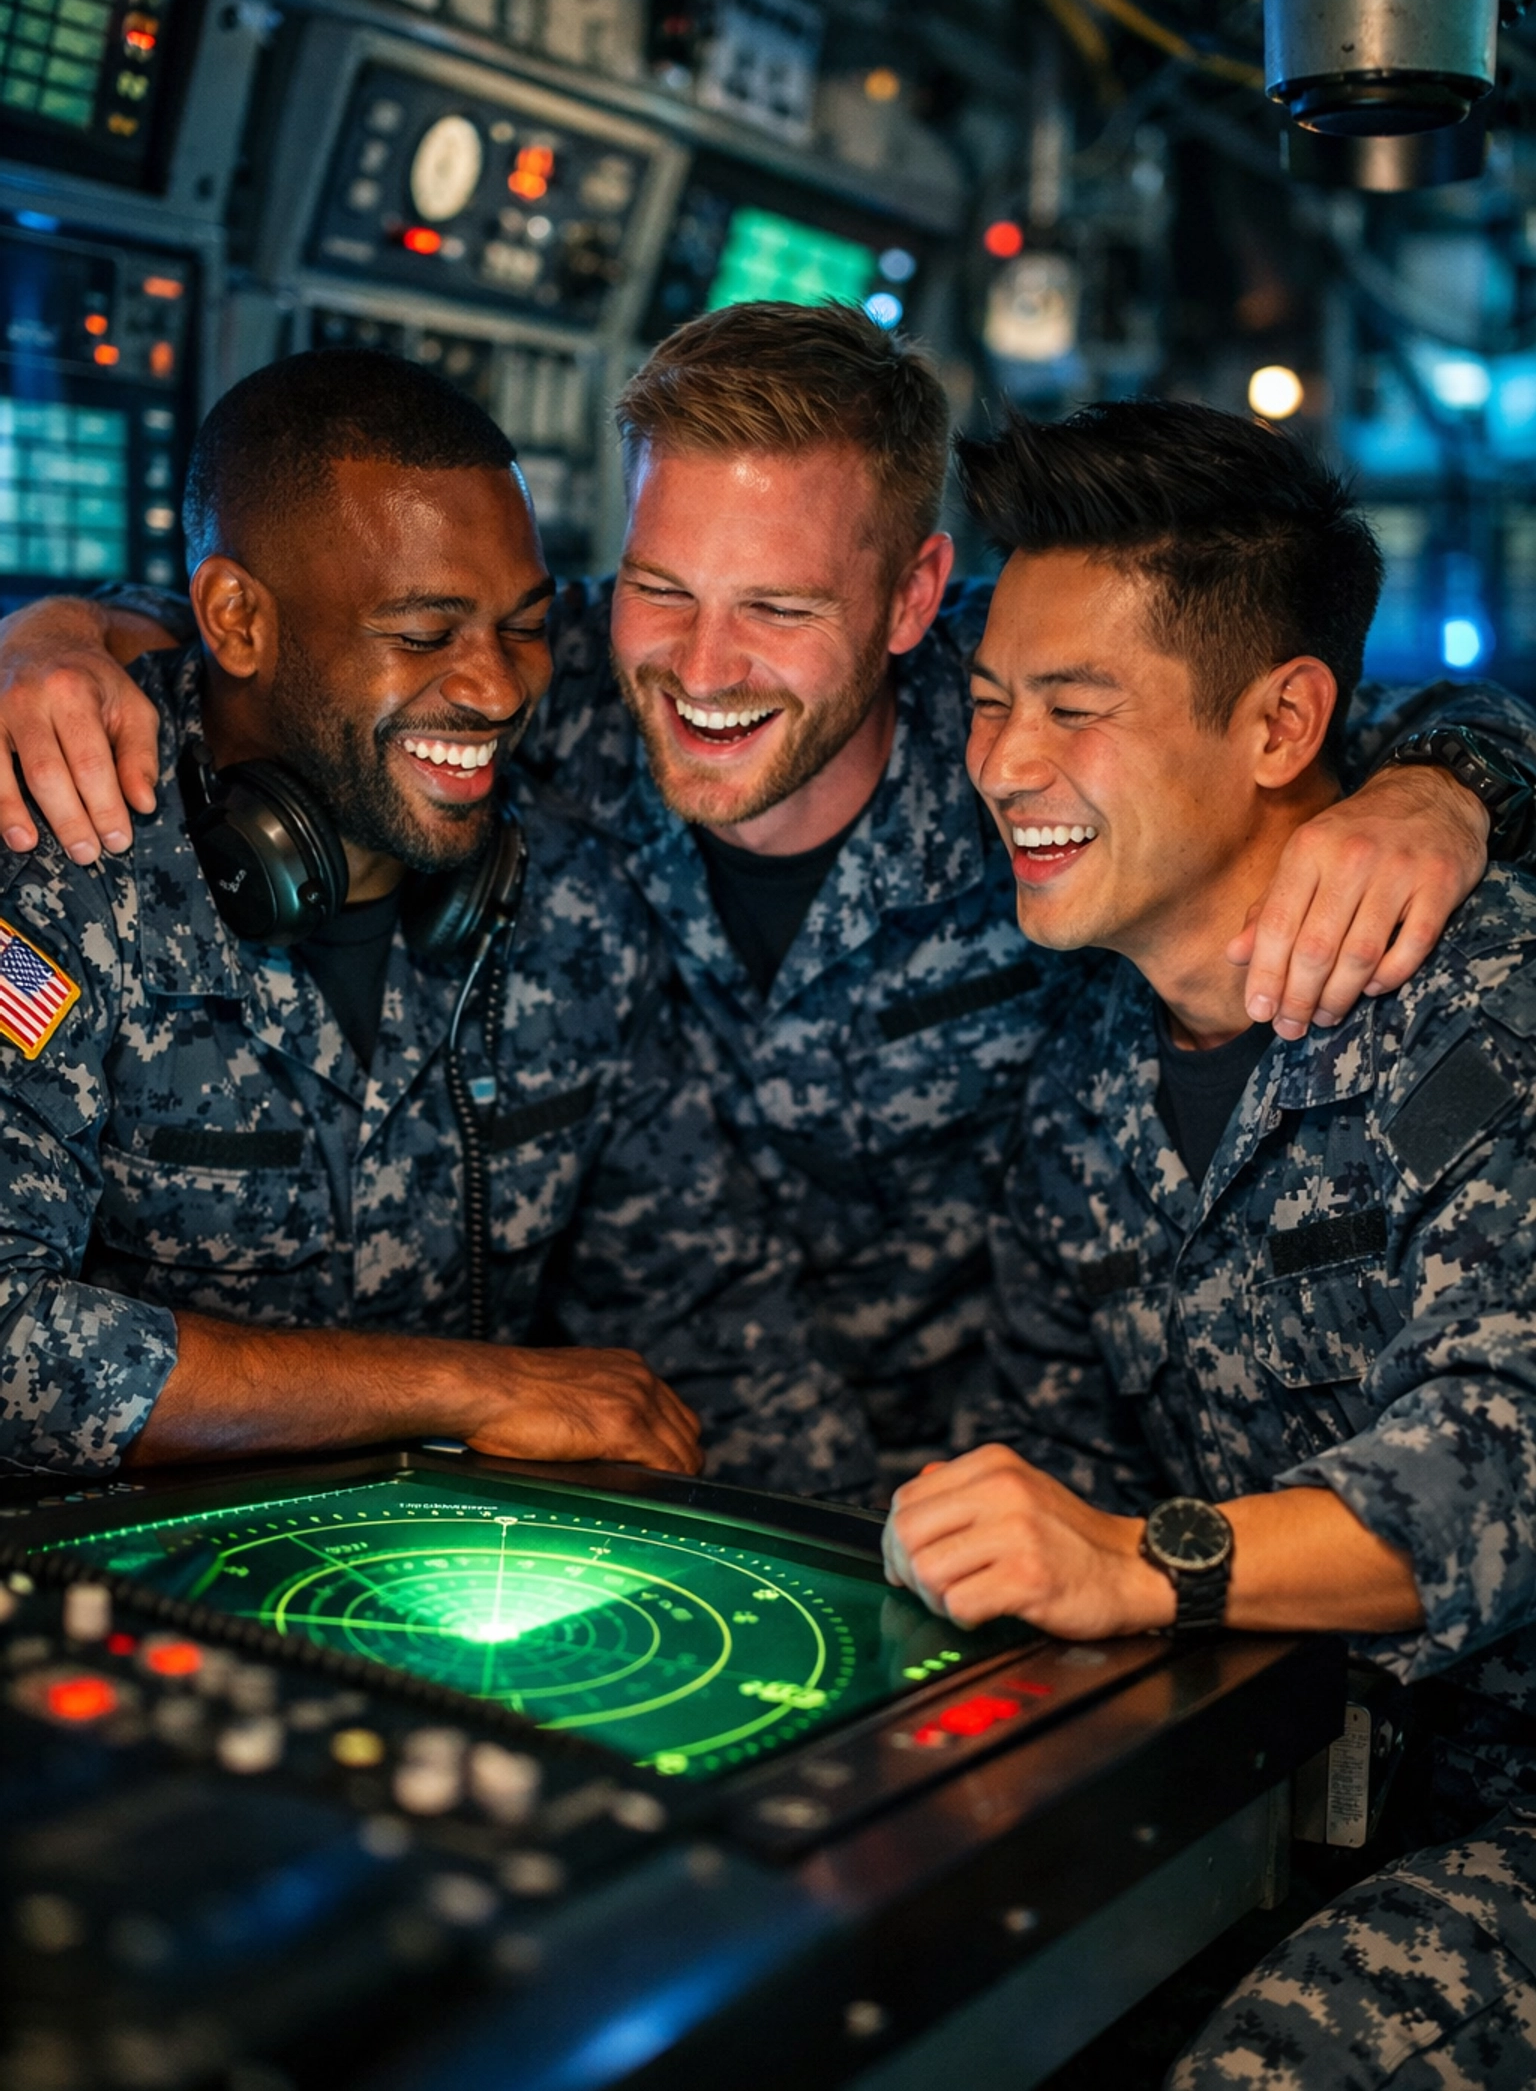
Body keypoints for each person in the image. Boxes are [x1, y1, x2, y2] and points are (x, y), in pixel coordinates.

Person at [3, 308, 1533, 1487]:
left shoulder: (1027, 726)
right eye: (662, 589)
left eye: (782, 610)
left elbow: (1284, 707)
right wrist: (57, 627)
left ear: (915, 600)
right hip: (685, 1462)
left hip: (987, 1456)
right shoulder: (545, 714)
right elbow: (298, 614)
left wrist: (1445, 787)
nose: (703, 667)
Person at [881, 399, 1536, 2088]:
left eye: (1076, 709)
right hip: (1276, 1777)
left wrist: (1137, 1558)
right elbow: (1056, 1451)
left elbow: (1497, 1469)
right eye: (989, 702)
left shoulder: (1481, 998)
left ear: (1281, 723)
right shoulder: (1086, 1071)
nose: (1005, 763)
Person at [0, 348, 869, 1492]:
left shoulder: (569, 897)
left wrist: (883, 1587)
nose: (499, 689)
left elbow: (705, 1316)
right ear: (236, 621)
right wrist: (475, 1385)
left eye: (522, 626)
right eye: (422, 634)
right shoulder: (58, 855)